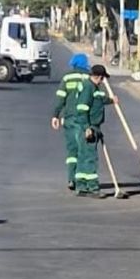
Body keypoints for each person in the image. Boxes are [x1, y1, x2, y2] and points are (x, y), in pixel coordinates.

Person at [72, 64, 118, 198]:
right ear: (99, 77)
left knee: (83, 157)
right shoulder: (88, 87)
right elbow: (82, 109)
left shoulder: (94, 87)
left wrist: (111, 100)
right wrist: (87, 128)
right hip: (88, 127)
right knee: (90, 158)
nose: (103, 81)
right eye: (102, 78)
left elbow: (99, 99)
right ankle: (93, 188)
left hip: (93, 126)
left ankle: (81, 186)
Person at [51, 53, 91, 191]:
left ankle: (71, 178)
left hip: (69, 118)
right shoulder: (89, 78)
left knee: (72, 149)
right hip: (85, 119)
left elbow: (61, 98)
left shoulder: (67, 78)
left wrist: (55, 115)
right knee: (84, 149)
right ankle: (82, 180)